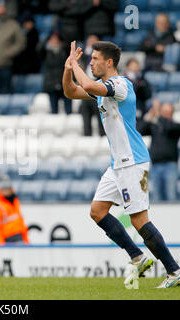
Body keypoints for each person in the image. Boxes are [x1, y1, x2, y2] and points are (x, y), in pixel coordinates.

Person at [62, 40, 180, 288]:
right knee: (97, 211)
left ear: (109, 62)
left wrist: (77, 65)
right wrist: (67, 69)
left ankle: (174, 270)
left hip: (132, 162)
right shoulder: (103, 87)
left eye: (95, 59)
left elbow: (85, 84)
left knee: (139, 220)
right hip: (118, 163)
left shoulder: (120, 85)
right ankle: (136, 255)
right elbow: (71, 91)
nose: (91, 62)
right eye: (90, 59)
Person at [137, 101, 180, 202]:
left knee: (171, 197)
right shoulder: (155, 125)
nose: (165, 114)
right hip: (155, 166)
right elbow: (139, 131)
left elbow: (166, 126)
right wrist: (149, 118)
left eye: (167, 112)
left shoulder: (175, 126)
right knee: (156, 198)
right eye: (163, 112)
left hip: (170, 166)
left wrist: (157, 113)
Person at [0, 173, 29, 245]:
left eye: (8, 188)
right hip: (7, 241)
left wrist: (26, 243)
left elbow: (21, 226)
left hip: (19, 240)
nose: (6, 191)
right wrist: (1, 248)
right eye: (4, 189)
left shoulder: (14, 202)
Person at [40, 31, 72, 114]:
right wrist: (46, 39)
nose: (54, 41)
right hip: (51, 83)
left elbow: (69, 46)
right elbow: (38, 49)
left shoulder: (64, 51)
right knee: (54, 110)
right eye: (52, 39)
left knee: (69, 110)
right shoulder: (46, 52)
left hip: (64, 82)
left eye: (56, 39)